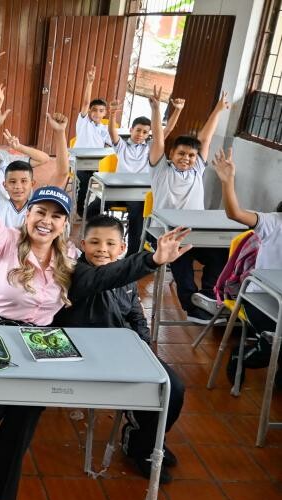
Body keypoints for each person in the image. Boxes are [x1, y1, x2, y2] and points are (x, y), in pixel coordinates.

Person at [0, 136, 191, 500]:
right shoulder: (6, 242)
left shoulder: (72, 258)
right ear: (27, 215)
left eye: (56, 216)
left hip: (39, 339)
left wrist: (152, 260)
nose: (46, 221)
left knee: (23, 416)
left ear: (64, 224)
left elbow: (108, 276)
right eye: (39, 212)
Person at [54, 215, 187, 483]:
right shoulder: (77, 273)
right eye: (94, 242)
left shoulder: (125, 277)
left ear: (122, 247)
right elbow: (106, 277)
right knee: (137, 389)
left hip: (121, 351)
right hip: (81, 356)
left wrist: (144, 347)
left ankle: (142, 441)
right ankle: (144, 443)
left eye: (110, 243)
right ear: (82, 244)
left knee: (172, 387)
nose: (102, 248)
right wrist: (151, 260)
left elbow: (136, 314)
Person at [149, 85, 230, 323]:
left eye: (191, 155)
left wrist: (217, 110)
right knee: (180, 258)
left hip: (197, 232)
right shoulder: (160, 170)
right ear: (171, 154)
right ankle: (192, 305)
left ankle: (207, 295)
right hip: (167, 233)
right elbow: (157, 139)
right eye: (181, 154)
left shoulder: (197, 170)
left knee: (221, 253)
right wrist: (156, 111)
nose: (186, 159)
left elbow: (205, 138)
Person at [83, 97, 185, 256]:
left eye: (145, 132)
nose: (141, 134)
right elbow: (111, 132)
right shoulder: (122, 145)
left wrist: (177, 110)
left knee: (137, 215)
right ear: (131, 130)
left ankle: (132, 254)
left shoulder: (150, 148)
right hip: (116, 192)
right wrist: (112, 113)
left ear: (149, 134)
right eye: (138, 130)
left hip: (137, 195)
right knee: (92, 208)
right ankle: (97, 239)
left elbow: (167, 130)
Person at [215, 148, 282, 379]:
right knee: (276, 346)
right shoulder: (273, 223)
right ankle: (241, 356)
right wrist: (228, 181)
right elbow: (235, 213)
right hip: (261, 298)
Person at [73, 65, 112, 216]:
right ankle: (81, 211)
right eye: (94, 109)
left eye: (101, 111)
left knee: (106, 181)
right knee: (84, 182)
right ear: (89, 111)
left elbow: (112, 144)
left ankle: (99, 210)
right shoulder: (84, 122)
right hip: (81, 162)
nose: (97, 113)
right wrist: (90, 82)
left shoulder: (104, 128)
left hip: (98, 163)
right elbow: (85, 102)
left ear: (105, 113)